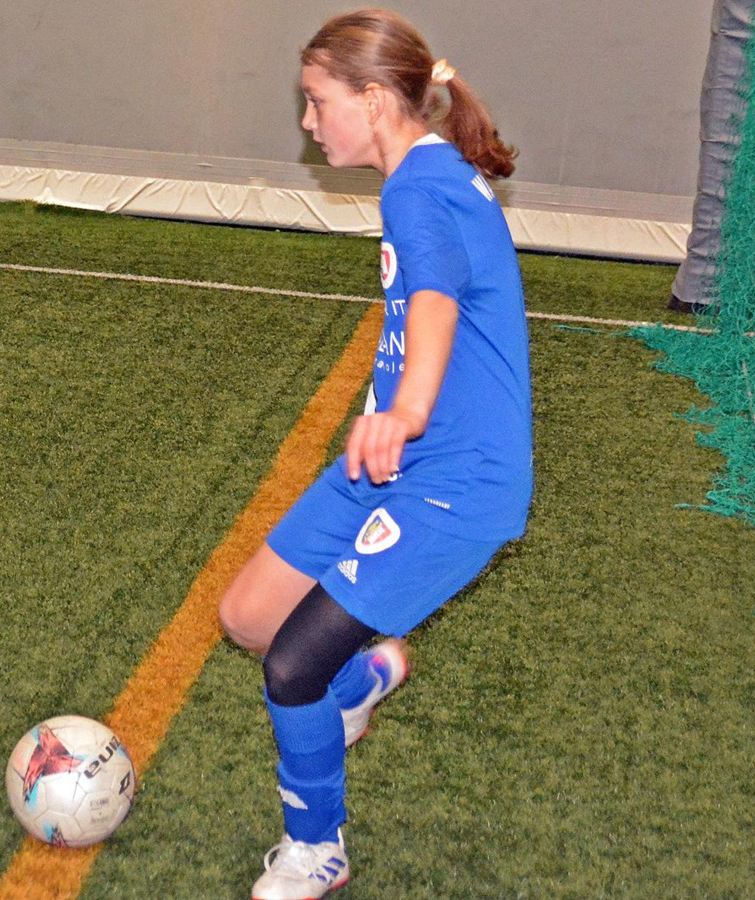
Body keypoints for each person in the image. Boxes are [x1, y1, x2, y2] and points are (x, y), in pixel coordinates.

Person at [217, 8, 533, 898]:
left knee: (292, 667)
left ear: (373, 99)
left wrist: (405, 413)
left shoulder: (416, 191)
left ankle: (317, 847)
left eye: (317, 102)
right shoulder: (433, 172)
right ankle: (358, 686)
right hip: (393, 465)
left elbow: (432, 301)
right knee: (249, 615)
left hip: (457, 484)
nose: (308, 122)